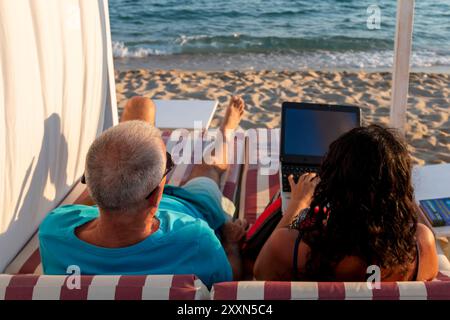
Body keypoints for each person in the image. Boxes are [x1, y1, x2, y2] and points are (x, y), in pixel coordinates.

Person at [39, 95, 248, 288]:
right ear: (158, 193)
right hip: (190, 205)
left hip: (116, 199)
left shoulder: (53, 231)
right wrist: (231, 245)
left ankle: (122, 157)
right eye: (168, 164)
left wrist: (107, 177)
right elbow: (228, 284)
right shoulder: (196, 239)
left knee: (140, 105)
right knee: (208, 169)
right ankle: (226, 132)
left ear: (92, 186)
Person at [254, 124, 439, 282]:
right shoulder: (420, 246)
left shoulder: (291, 249)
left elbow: (260, 273)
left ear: (332, 185)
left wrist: (298, 203)